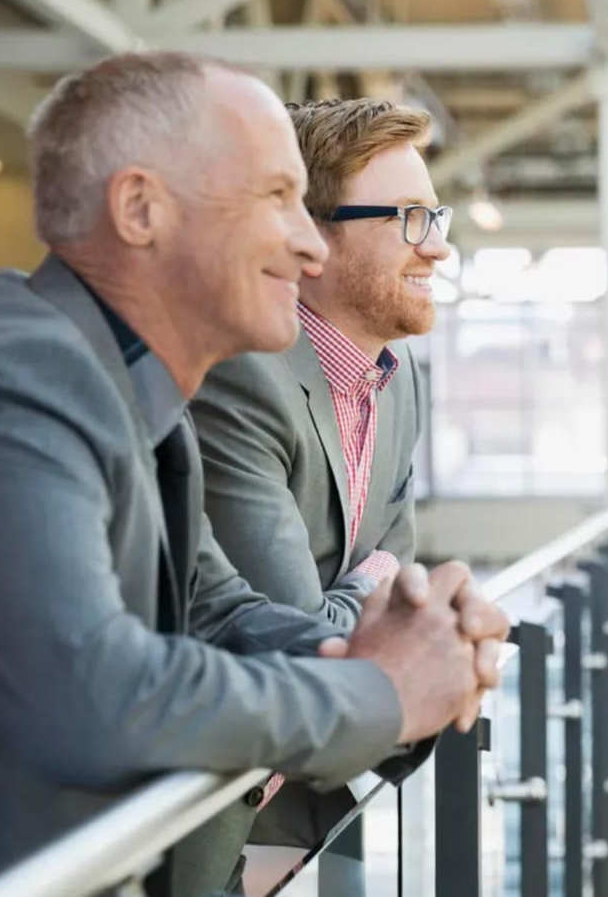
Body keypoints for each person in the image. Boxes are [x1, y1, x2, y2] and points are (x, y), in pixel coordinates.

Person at [0, 55, 497, 897]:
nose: (308, 243)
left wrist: (408, 652)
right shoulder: (13, 383)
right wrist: (380, 695)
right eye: (276, 199)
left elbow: (216, 610)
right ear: (140, 209)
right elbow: (93, 695)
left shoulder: (121, 386)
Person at [191, 97, 510, 847]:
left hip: (294, 818)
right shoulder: (240, 378)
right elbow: (300, 638)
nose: (435, 248)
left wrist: (371, 591)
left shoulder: (399, 381)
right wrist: (369, 585)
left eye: (436, 219)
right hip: (194, 825)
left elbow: (396, 575)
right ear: (311, 235)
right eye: (407, 219)